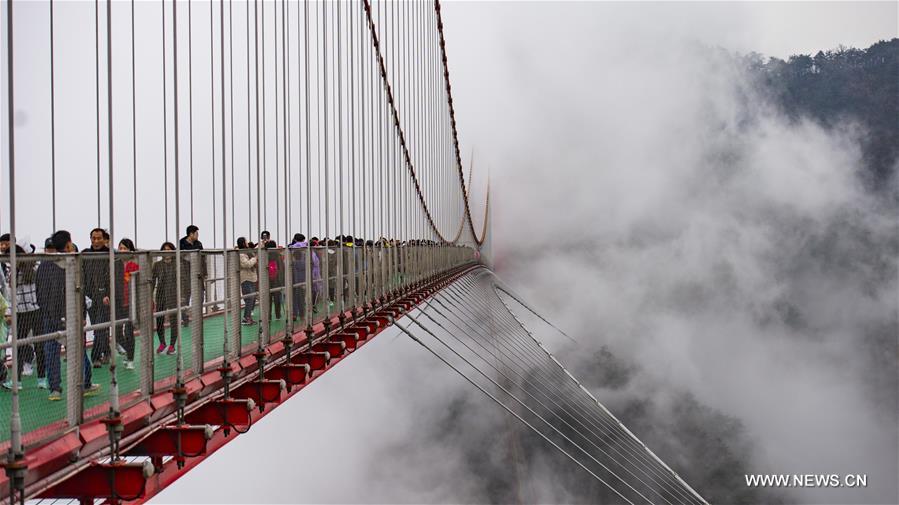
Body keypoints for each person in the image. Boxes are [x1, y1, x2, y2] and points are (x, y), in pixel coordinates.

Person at [38, 230, 99, 401]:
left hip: (50, 316)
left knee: (51, 352)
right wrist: (81, 314)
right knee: (78, 351)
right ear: (68, 244)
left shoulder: (44, 265)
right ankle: (84, 384)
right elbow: (79, 291)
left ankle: (55, 389)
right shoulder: (72, 263)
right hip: (70, 315)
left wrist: (48, 312)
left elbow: (40, 294)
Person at [2, 243, 44, 390]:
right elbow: (11, 294)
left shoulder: (33, 267)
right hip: (21, 313)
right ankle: (17, 381)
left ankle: (42, 378)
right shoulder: (12, 272)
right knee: (17, 345)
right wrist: (11, 311)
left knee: (40, 345)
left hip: (36, 311)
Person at [83, 228, 111, 367]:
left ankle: (95, 357)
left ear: (104, 239)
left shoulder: (110, 254)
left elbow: (114, 277)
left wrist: (109, 294)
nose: (96, 241)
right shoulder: (84, 254)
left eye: (99, 238)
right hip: (90, 298)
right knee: (98, 327)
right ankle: (107, 352)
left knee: (100, 327)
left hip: (105, 298)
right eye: (93, 238)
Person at [114, 239, 139, 369]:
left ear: (130, 250)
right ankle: (127, 351)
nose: (122, 250)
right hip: (118, 303)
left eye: (125, 248)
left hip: (131, 303)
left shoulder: (135, 265)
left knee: (129, 332)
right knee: (117, 332)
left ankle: (130, 359)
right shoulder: (114, 264)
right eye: (120, 248)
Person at [152, 242, 179, 354]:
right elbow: (153, 281)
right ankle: (162, 343)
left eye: (169, 250)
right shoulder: (157, 265)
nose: (167, 252)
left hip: (174, 295)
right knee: (159, 320)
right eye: (164, 250)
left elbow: (182, 280)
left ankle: (172, 345)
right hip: (160, 295)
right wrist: (150, 296)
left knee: (174, 321)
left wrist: (182, 296)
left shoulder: (177, 264)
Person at [179, 225, 206, 326]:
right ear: (191, 234)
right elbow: (180, 259)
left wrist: (205, 273)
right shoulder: (181, 243)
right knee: (185, 297)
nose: (198, 235)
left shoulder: (198, 244)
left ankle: (198, 318)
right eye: (196, 233)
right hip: (185, 275)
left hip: (198, 275)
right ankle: (184, 319)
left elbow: (203, 259)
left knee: (200, 296)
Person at [288, 234, 319, 321]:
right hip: (306, 277)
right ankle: (303, 313)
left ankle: (294, 314)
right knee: (303, 295)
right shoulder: (308, 249)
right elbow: (314, 262)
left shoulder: (291, 249)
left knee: (295, 296)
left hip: (293, 277)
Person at [237, 237, 259, 325]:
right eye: (245, 242)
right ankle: (246, 318)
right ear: (243, 243)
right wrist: (255, 258)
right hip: (246, 279)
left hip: (252, 278)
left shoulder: (248, 253)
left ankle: (248, 317)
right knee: (249, 299)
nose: (247, 243)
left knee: (252, 298)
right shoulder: (241, 254)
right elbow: (247, 264)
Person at [265, 240, 284, 320]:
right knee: (277, 297)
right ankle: (278, 315)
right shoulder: (278, 255)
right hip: (277, 279)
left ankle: (268, 316)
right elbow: (282, 268)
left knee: (267, 298)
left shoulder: (265, 255)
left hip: (267, 279)